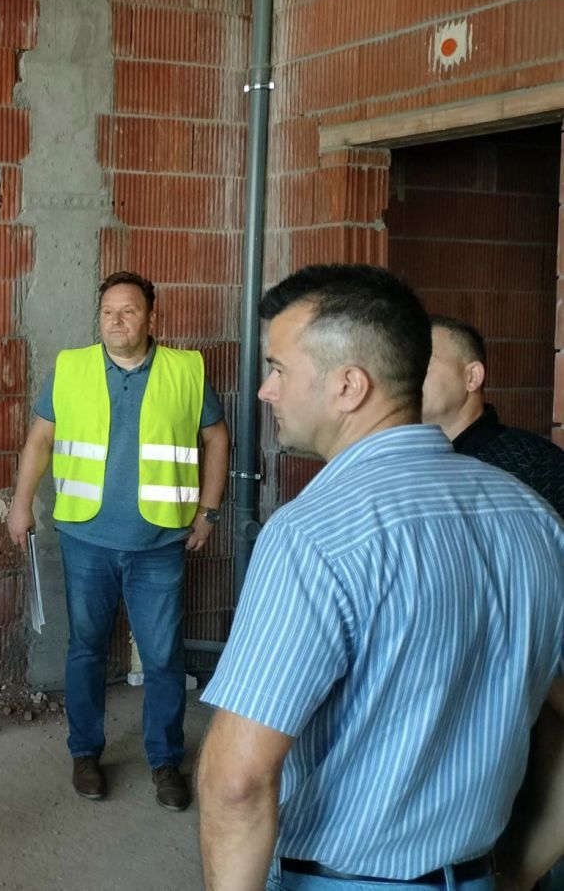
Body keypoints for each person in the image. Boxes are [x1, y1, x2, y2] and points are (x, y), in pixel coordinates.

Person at [197, 264, 564, 891]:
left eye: (278, 369)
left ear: (349, 386)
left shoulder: (313, 535)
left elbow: (238, 782)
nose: (265, 391)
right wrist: (521, 872)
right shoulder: (533, 518)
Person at [6, 270, 228, 811]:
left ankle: (165, 761)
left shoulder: (186, 370)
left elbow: (216, 437)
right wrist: (20, 503)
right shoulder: (71, 368)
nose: (117, 321)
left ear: (151, 317)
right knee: (85, 649)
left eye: (129, 311)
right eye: (108, 312)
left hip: (160, 541)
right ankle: (85, 753)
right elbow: (40, 439)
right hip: (87, 538)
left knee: (163, 657)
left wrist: (209, 511)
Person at [422, 314, 564, 518]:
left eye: (425, 363)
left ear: (472, 377)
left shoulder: (536, 464)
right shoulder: (400, 460)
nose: (410, 376)